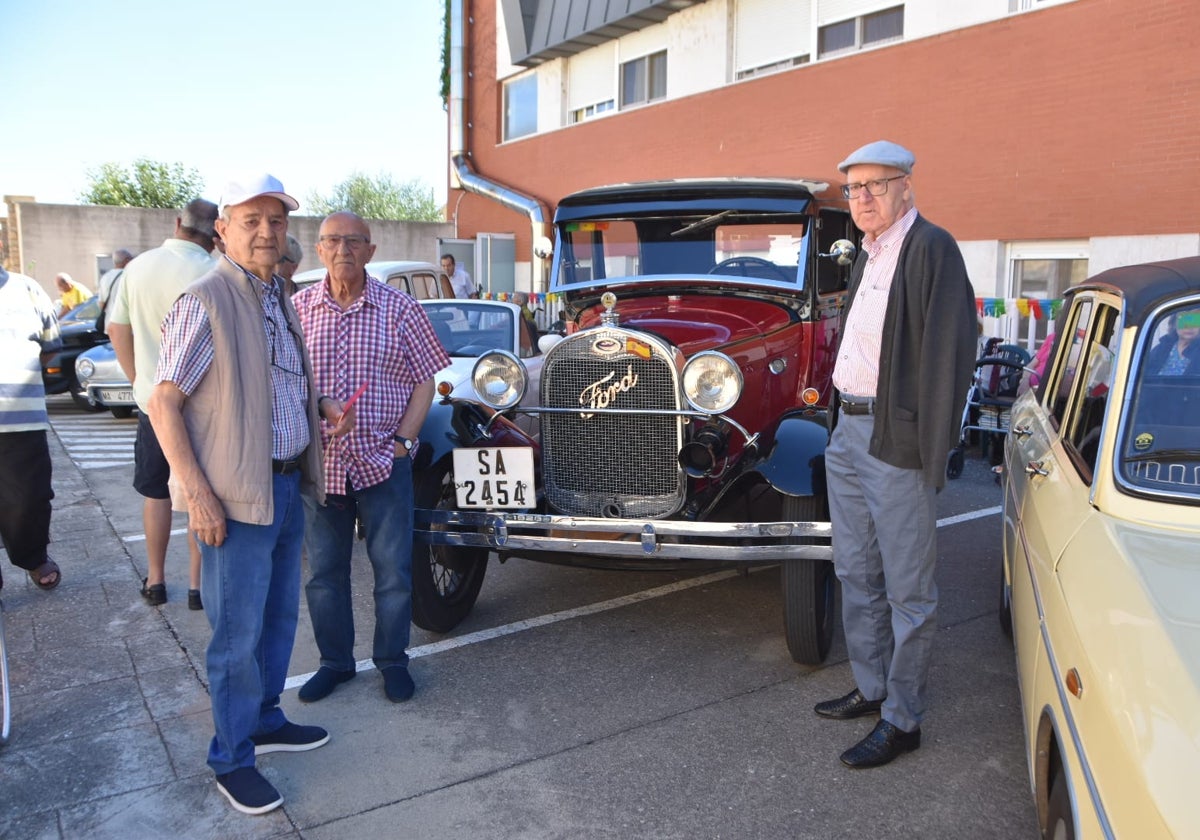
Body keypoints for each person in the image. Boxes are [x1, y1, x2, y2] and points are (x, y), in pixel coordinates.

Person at [147, 174, 353, 815]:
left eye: (277, 220)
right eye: (252, 220)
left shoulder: (277, 297)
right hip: (235, 497)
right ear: (223, 231)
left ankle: (264, 718)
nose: (267, 231)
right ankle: (232, 758)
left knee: (275, 619)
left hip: (287, 484)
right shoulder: (205, 299)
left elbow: (269, 383)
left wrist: (316, 402)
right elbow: (164, 402)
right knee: (234, 635)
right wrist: (196, 492)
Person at [815, 141, 976, 769]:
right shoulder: (867, 253)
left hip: (895, 438)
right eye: (853, 189)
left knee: (909, 587)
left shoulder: (931, 248)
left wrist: (932, 452)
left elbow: (950, 354)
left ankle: (902, 719)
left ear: (906, 186)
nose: (861, 199)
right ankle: (873, 685)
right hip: (847, 431)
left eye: (875, 186)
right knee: (856, 571)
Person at [293, 211, 449, 705]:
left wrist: (404, 442)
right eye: (332, 240)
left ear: (370, 251)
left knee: (394, 571)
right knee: (323, 574)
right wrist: (322, 406)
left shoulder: (400, 308)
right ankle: (335, 663)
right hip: (322, 466)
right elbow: (291, 381)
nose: (343, 249)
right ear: (318, 249)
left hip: (385, 461)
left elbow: (427, 379)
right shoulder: (297, 310)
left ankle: (392, 661)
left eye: (354, 241)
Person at [107, 199, 219, 610]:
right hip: (200, 405)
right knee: (196, 491)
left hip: (153, 401)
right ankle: (196, 586)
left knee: (155, 492)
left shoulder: (137, 267)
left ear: (178, 223)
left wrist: (138, 378)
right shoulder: (213, 271)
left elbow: (117, 328)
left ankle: (155, 579)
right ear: (217, 232)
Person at [0, 265, 63, 591]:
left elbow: (51, 344)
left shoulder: (27, 289)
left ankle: (32, 555)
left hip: (21, 418)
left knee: (30, 498)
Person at [1145, 308, 1200, 375]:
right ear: (1174, 324)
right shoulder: (1162, 348)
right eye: (1184, 321)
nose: (1189, 326)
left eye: (1195, 321)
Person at [96, 248, 133, 332]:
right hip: (126, 326)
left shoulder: (105, 277)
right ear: (127, 261)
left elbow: (101, 303)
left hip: (110, 325)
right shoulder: (128, 276)